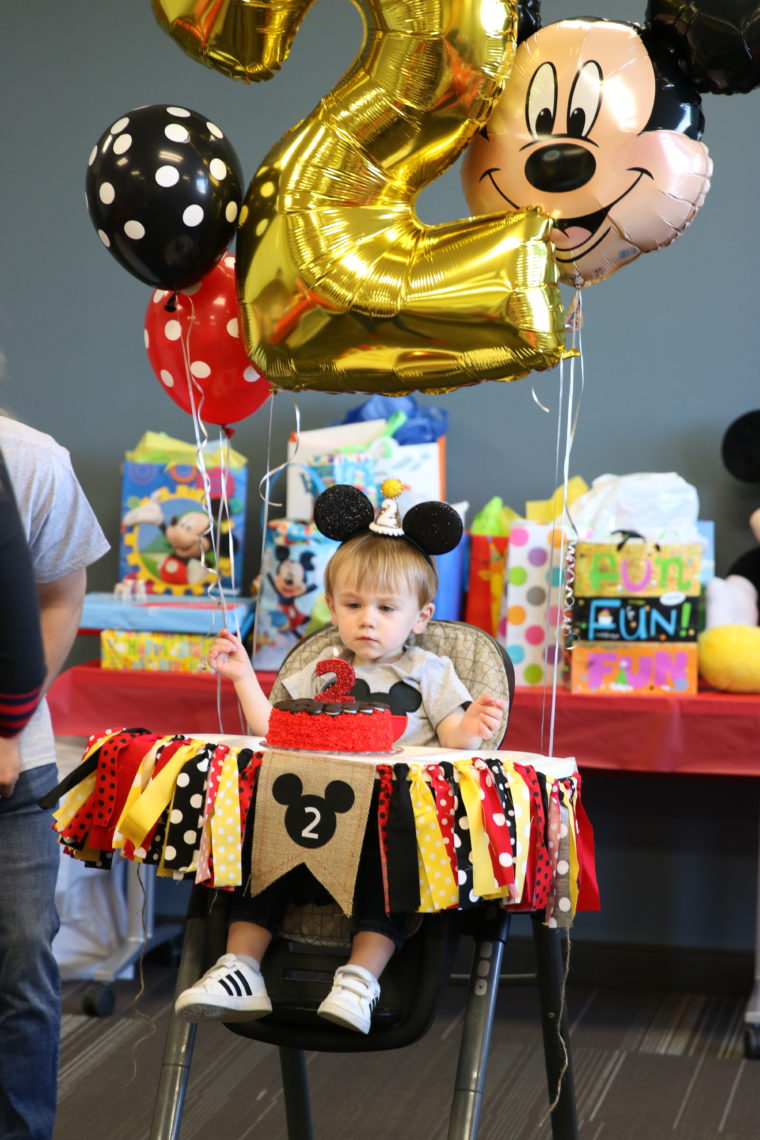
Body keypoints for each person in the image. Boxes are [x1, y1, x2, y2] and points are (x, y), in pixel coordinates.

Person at [175, 482, 506, 1034]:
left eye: (385, 608)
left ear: (420, 617)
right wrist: (240, 677)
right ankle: (240, 968)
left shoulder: (428, 673)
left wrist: (472, 726)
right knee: (263, 854)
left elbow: (454, 742)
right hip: (311, 817)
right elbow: (271, 727)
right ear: (332, 607)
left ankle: (359, 978)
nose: (367, 620)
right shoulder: (323, 667)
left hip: (386, 825)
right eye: (353, 606)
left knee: (393, 873)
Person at [0, 412, 110, 1140]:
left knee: (21, 969)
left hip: (16, 763)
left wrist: (8, 725)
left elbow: (58, 595)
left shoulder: (32, 459)